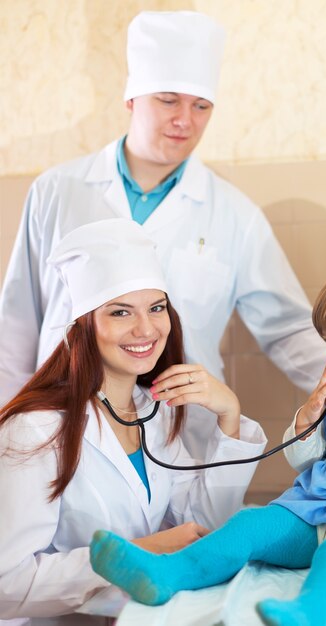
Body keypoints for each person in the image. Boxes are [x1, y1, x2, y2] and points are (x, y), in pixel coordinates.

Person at [0, 10, 326, 458]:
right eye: (168, 100)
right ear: (132, 99)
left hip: (178, 437)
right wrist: (8, 424)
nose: (185, 121)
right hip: (58, 428)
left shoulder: (233, 214)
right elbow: (16, 323)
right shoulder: (58, 191)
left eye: (201, 106)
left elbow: (287, 328)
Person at [89, 261, 326, 626]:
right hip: (321, 511)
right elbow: (302, 461)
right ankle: (166, 574)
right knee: (250, 525)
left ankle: (309, 613)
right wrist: (309, 419)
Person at [0, 219, 266, 625]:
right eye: (121, 312)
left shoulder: (150, 411)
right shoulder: (32, 430)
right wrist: (145, 549)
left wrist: (229, 415)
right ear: (81, 328)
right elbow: (7, 583)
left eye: (156, 308)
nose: (146, 329)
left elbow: (200, 521)